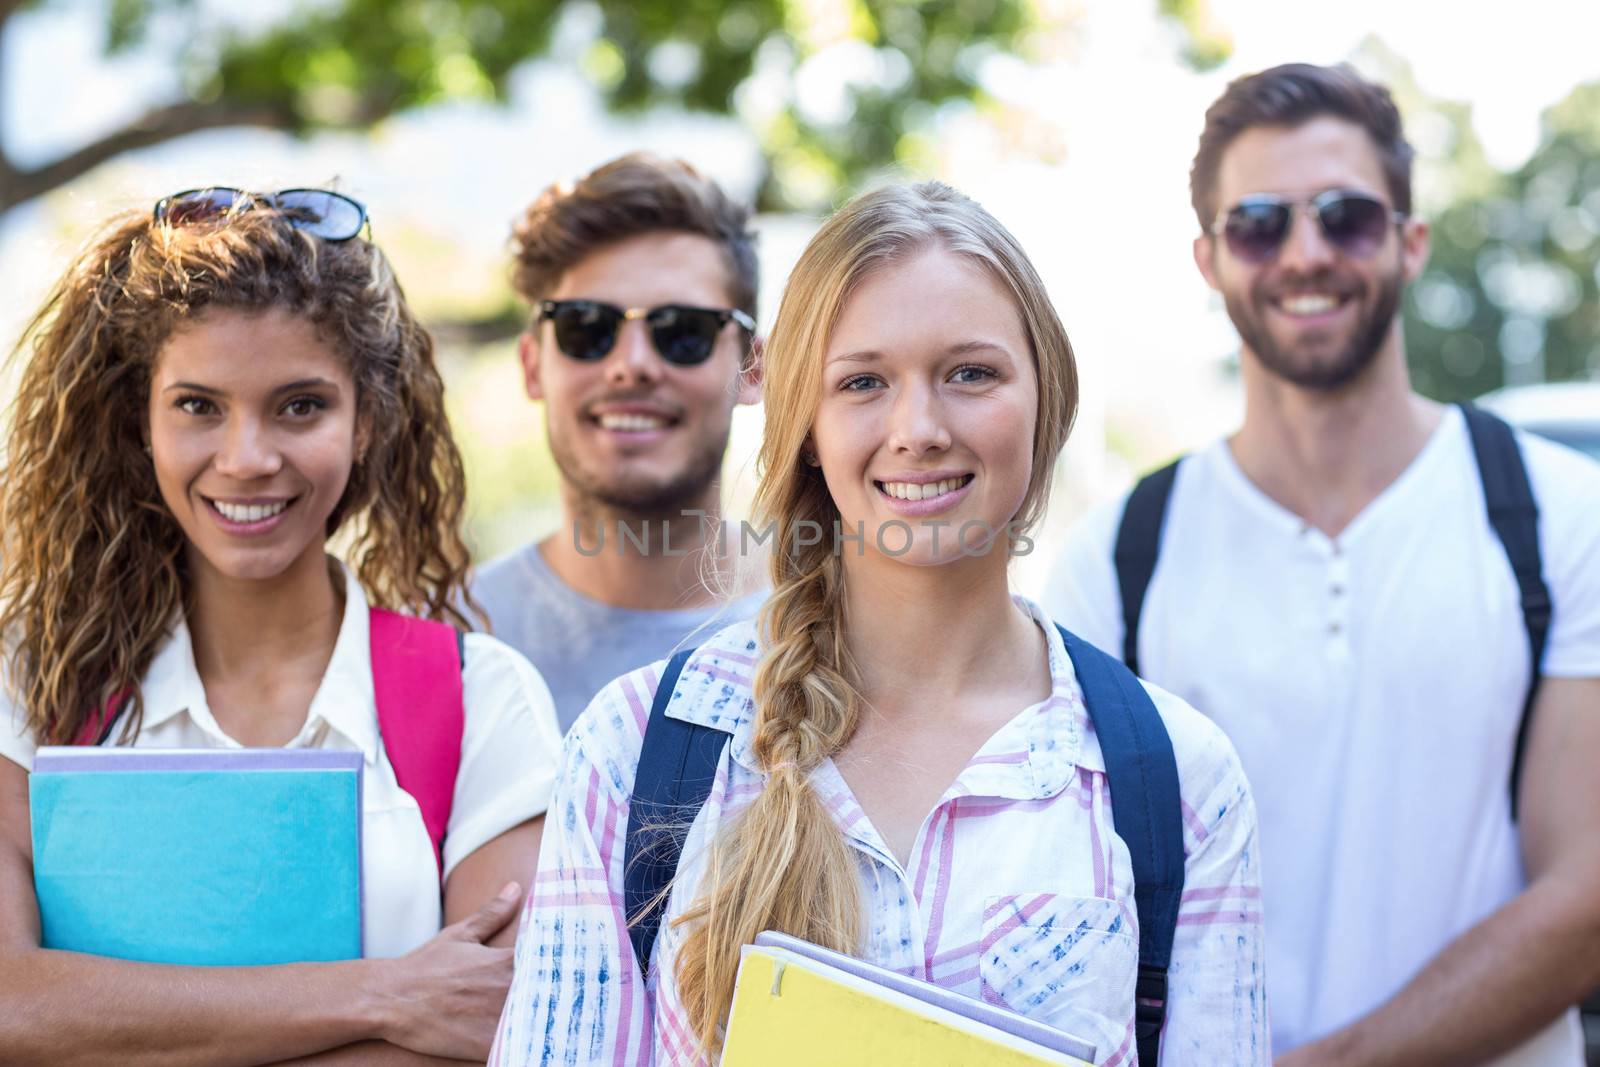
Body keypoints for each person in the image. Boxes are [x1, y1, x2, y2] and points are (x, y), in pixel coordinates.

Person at [491, 181, 1269, 1066]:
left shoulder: (1178, 781)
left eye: (970, 373)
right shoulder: (635, 750)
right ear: (808, 427)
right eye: (862, 381)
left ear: (1045, 395)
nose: (920, 427)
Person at [1046, 63, 1600, 1066]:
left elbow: (1586, 897)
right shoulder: (1118, 557)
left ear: (1409, 240)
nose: (1304, 254)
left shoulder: (1566, 520)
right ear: (1209, 258)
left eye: (1344, 216)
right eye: (1259, 223)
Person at [0, 188, 563, 1065]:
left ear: (367, 419)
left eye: (300, 405)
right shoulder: (32, 681)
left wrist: (117, 1030)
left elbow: (496, 1025)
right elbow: (12, 1007)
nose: (248, 457)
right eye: (198, 405)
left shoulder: (481, 698)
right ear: (139, 422)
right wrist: (382, 993)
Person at [470, 154, 767, 731]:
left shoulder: (848, 633)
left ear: (751, 369)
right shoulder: (448, 642)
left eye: (683, 332)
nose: (631, 366)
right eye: (588, 328)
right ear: (532, 366)